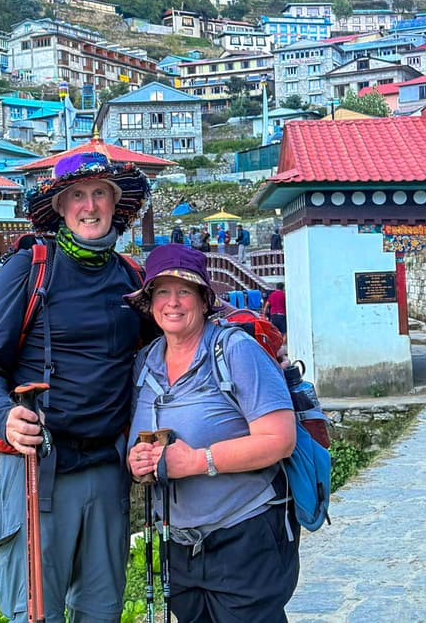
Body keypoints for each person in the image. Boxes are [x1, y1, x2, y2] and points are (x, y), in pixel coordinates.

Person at [0, 150, 151, 623]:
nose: (89, 206)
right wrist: (4, 417)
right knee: (36, 614)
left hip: (108, 470)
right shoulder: (30, 268)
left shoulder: (131, 278)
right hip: (40, 467)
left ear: (115, 204)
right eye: (77, 195)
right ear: (61, 207)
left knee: (102, 611)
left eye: (100, 194)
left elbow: (166, 352)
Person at [125, 244, 298, 622]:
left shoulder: (235, 351)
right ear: (150, 303)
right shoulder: (146, 362)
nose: (173, 302)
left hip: (244, 536)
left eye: (184, 291)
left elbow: (280, 439)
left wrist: (195, 461)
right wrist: (137, 461)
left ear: (204, 300)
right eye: (162, 291)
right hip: (178, 546)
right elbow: (138, 439)